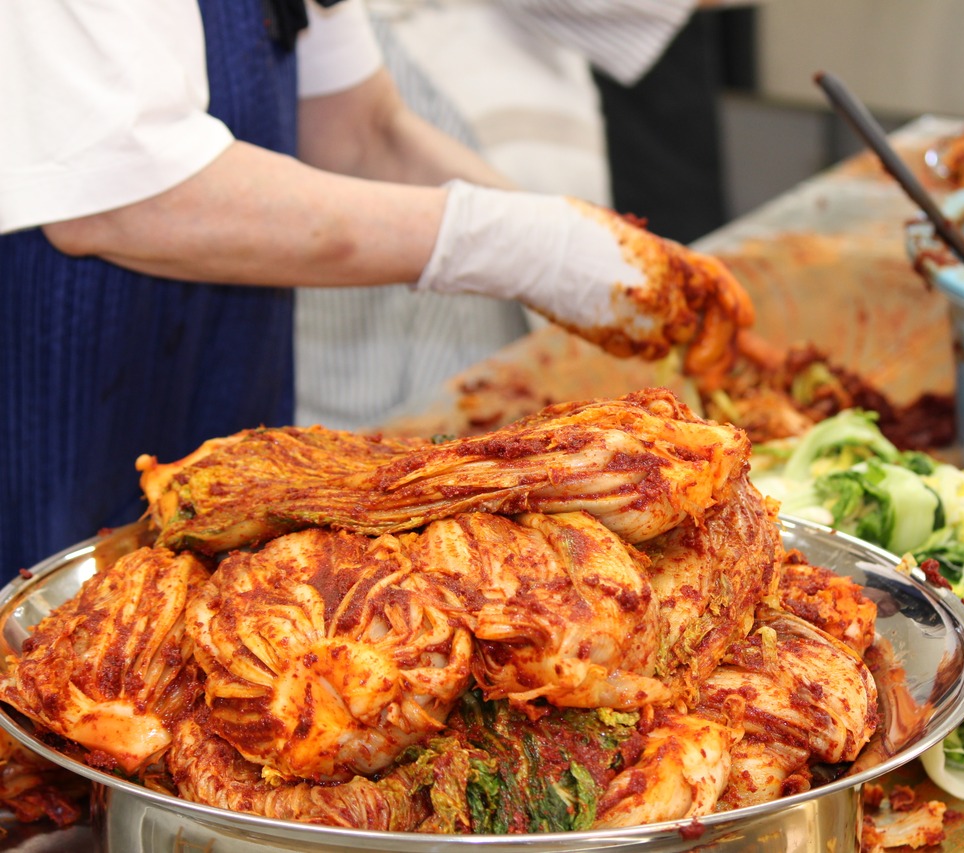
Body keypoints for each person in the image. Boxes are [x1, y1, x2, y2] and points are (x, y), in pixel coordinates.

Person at [0, 0, 752, 578]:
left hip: (214, 400)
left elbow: (360, 130)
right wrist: (521, 247)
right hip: (51, 398)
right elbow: (119, 201)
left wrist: (587, 242)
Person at [294, 0, 708, 430]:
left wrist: (556, 232)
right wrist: (529, 243)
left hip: (496, 144)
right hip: (340, 326)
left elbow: (367, 130)